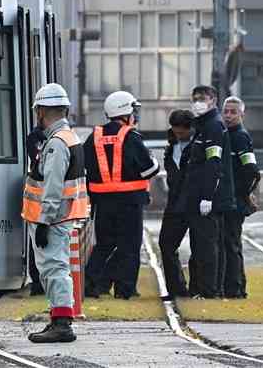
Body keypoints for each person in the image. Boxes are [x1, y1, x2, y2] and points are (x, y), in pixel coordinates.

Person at [21, 83, 88, 343]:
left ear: (41, 111)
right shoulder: (69, 138)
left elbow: (52, 185)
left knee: (54, 268)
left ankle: (62, 323)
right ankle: (58, 319)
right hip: (62, 215)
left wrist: (44, 222)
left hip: (53, 217)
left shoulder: (57, 143)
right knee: (54, 267)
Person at [83, 91, 160, 300]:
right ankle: (125, 289)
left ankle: (90, 285)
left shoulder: (94, 137)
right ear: (125, 111)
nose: (136, 115)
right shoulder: (130, 136)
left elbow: (86, 167)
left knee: (104, 245)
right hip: (130, 202)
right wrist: (154, 160)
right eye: (134, 110)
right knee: (129, 246)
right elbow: (148, 170)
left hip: (102, 203)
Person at [184, 85, 236, 299]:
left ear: (213, 100)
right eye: (195, 98)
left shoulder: (213, 126)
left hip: (209, 198)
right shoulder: (203, 125)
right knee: (201, 244)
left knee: (208, 246)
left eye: (202, 98)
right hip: (199, 196)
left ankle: (209, 290)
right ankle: (200, 288)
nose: (198, 101)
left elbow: (213, 164)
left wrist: (207, 197)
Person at [220, 96, 260, 298]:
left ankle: (235, 290)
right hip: (230, 199)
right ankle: (234, 287)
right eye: (226, 111)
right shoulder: (227, 134)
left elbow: (251, 169)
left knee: (231, 245)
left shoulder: (240, 137)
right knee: (229, 243)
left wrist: (243, 194)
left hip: (234, 201)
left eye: (233, 112)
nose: (228, 115)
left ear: (242, 114)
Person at [158, 109, 194, 298]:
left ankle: (199, 288)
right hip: (175, 202)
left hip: (193, 201)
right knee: (166, 243)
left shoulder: (197, 144)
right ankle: (176, 288)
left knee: (200, 246)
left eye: (182, 132)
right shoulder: (172, 146)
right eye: (176, 131)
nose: (178, 135)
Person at [25, 126, 48, 296]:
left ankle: (38, 283)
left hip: (37, 203)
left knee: (37, 245)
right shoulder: (48, 139)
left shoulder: (35, 138)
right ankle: (39, 283)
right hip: (44, 203)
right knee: (42, 245)